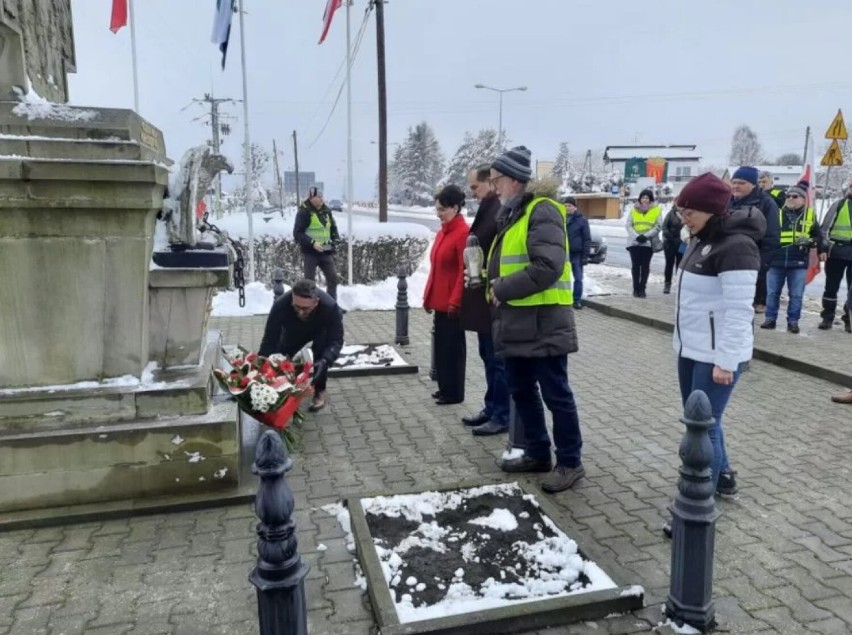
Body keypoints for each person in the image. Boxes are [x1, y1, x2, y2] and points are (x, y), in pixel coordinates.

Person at [487, 146, 585, 493]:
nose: (493, 186)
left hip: (544, 323)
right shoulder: (514, 212)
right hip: (519, 322)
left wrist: (502, 287)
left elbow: (548, 266)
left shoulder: (541, 210)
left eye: (497, 180)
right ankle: (538, 452)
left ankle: (570, 462)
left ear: (514, 180)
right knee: (522, 391)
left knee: (556, 395)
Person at [674, 173, 764, 497]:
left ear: (711, 210)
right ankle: (722, 475)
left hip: (716, 356)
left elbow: (740, 312)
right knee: (701, 419)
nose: (684, 219)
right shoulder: (699, 238)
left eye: (690, 213)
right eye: (681, 212)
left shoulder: (737, 247)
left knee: (703, 427)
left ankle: (697, 501)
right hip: (691, 348)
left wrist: (726, 362)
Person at [460, 166, 510, 435]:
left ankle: (502, 414)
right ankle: (492, 407)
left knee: (497, 360)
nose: (472, 193)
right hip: (483, 298)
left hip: (493, 299)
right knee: (488, 356)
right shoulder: (489, 207)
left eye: (475, 187)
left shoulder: (497, 210)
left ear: (490, 184)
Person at [258, 278, 344, 412]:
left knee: (321, 356)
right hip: (294, 332)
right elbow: (270, 339)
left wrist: (327, 359)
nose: (300, 312)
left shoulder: (330, 307)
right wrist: (260, 367)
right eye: (296, 307)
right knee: (280, 357)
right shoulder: (281, 305)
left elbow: (336, 340)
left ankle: (319, 390)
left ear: (316, 303)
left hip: (320, 329)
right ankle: (280, 390)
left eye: (305, 308)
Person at [423, 185, 469, 405]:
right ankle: (444, 387)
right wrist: (427, 295)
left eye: (442, 209)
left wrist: (456, 301)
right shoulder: (443, 232)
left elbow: (463, 270)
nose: (439, 213)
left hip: (452, 303)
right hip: (440, 301)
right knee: (441, 347)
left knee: (453, 350)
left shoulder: (462, 233)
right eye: (437, 209)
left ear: (456, 208)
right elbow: (436, 267)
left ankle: (454, 392)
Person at [760, 184, 822, 334]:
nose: (790, 199)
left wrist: (809, 242)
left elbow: (818, 236)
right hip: (776, 260)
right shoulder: (777, 214)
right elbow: (767, 235)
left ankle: (793, 322)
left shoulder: (809, 215)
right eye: (788, 196)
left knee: (796, 295)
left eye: (795, 196)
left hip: (799, 261)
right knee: (772, 293)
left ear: (803, 199)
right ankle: (770, 319)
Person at [729, 166, 780, 313]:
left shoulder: (767, 203)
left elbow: (772, 237)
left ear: (753, 184)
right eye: (734, 182)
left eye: (741, 183)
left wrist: (761, 266)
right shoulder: (728, 201)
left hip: (751, 263)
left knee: (744, 310)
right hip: (728, 261)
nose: (736, 186)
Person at [293, 186, 340, 300]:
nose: (321, 199)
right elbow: (297, 233)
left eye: (322, 196)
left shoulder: (326, 211)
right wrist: (312, 243)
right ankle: (310, 306)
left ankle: (331, 305)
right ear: (311, 198)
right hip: (311, 252)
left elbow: (333, 228)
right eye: (318, 196)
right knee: (309, 283)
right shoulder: (304, 212)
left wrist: (335, 240)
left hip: (325, 251)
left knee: (333, 278)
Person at [817, 180, 852, 333]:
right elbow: (824, 229)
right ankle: (827, 317)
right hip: (836, 253)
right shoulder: (839, 204)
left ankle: (849, 319)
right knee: (831, 287)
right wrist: (823, 248)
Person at [625, 188, 662, 298]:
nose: (645, 199)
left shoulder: (657, 210)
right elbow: (628, 225)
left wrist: (645, 236)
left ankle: (642, 289)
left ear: (650, 199)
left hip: (648, 243)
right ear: (640, 199)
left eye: (647, 197)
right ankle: (635, 289)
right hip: (634, 243)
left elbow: (658, 226)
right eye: (643, 197)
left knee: (645, 267)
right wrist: (637, 236)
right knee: (635, 267)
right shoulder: (633, 210)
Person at [563, 196, 591, 308]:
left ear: (574, 207)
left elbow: (587, 239)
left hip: (576, 254)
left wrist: (585, 256)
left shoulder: (582, 220)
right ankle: (564, 299)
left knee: (578, 278)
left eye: (569, 206)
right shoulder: (560, 219)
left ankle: (576, 300)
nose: (567, 208)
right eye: (565, 206)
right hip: (563, 253)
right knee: (562, 278)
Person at [661, 203, 685, 294]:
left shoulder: (686, 214)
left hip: (682, 243)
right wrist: (672, 238)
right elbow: (664, 228)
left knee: (680, 265)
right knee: (669, 264)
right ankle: (667, 284)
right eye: (678, 203)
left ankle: (679, 285)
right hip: (670, 243)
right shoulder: (671, 214)